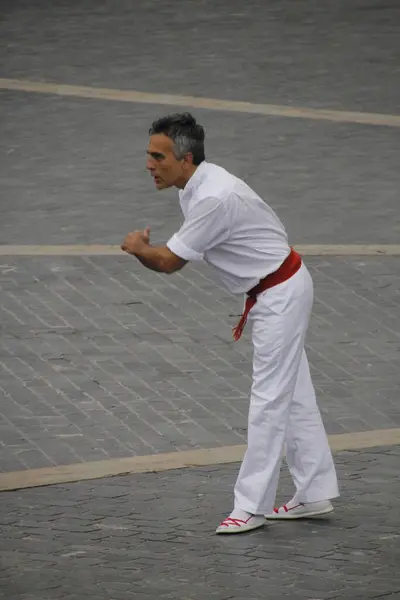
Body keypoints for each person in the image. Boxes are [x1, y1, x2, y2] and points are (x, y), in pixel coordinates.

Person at [121, 112, 339, 534]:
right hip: (276, 289)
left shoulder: (212, 197)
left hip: (279, 293)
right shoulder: (196, 186)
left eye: (157, 156)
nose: (149, 164)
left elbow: (168, 263)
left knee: (269, 400)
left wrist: (138, 249)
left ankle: (250, 506)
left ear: (185, 160)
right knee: (293, 395)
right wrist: (153, 253)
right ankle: (313, 493)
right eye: (149, 154)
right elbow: (184, 254)